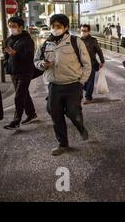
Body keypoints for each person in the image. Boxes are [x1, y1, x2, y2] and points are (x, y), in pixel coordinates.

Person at [34, 14, 92, 156]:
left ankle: (80, 126)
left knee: (73, 112)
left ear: (65, 27)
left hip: (73, 84)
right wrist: (42, 64)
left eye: (58, 26)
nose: (55, 29)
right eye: (53, 26)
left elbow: (87, 64)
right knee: (55, 114)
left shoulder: (75, 41)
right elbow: (36, 61)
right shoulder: (45, 43)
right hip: (54, 85)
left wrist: (81, 82)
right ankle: (63, 144)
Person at [3, 17, 37, 130]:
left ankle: (16, 121)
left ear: (21, 27)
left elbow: (29, 57)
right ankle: (31, 114)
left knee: (18, 96)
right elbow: (6, 56)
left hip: (25, 72)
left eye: (14, 26)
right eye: (10, 26)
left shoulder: (27, 40)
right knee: (24, 94)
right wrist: (6, 66)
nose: (11, 28)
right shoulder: (9, 39)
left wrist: (15, 53)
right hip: (14, 72)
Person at [80, 24, 105, 104]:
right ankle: (87, 91)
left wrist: (102, 61)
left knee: (90, 81)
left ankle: (88, 97)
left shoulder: (93, 40)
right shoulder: (78, 40)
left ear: (89, 31)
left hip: (92, 64)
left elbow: (99, 51)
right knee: (83, 81)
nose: (83, 32)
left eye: (85, 31)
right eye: (82, 30)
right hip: (81, 65)